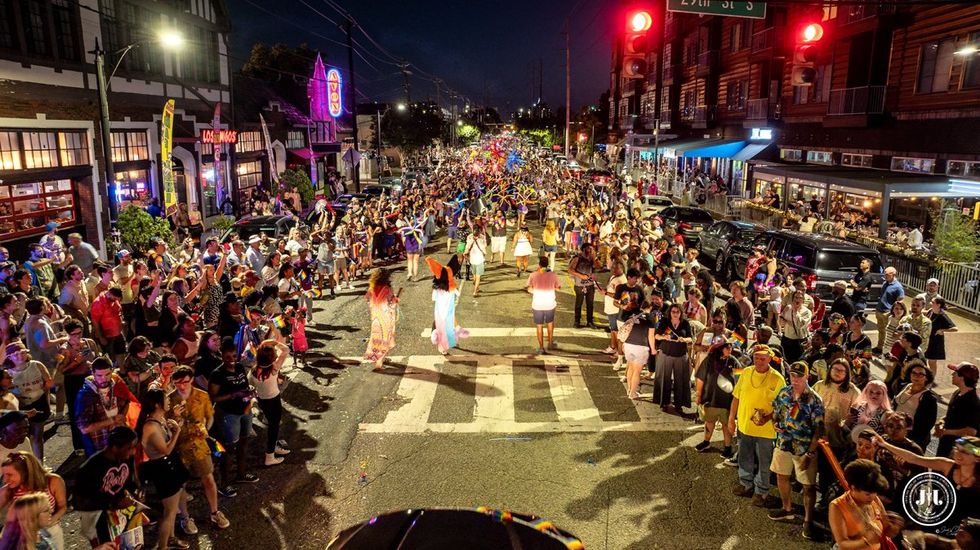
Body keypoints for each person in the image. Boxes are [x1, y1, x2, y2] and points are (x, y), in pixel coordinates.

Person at [872, 433, 979, 534]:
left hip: (963, 530)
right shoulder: (947, 465)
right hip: (938, 520)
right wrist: (885, 444)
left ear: (977, 457)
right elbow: (914, 458)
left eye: (965, 452)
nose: (958, 454)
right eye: (957, 449)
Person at [168, 366, 230, 530]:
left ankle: (215, 512)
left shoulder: (202, 396)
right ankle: (185, 517)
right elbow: (164, 425)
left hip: (198, 445)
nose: (181, 386)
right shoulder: (168, 400)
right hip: (178, 447)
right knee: (181, 485)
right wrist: (173, 417)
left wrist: (205, 429)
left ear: (192, 379)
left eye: (185, 382)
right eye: (178, 383)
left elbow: (209, 416)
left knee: (208, 479)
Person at [767, 361, 824, 539]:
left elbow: (819, 429)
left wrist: (810, 453)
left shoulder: (815, 399)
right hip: (784, 443)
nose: (795, 379)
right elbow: (775, 412)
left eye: (799, 376)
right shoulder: (784, 392)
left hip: (804, 448)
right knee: (781, 476)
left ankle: (808, 521)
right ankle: (787, 508)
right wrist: (775, 423)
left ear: (807, 376)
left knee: (808, 486)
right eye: (792, 375)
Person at [729, 344, 785, 508]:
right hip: (745, 425)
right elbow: (736, 397)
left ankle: (761, 491)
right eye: (756, 358)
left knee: (764, 462)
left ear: (769, 359)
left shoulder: (777, 378)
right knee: (744, 457)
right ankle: (746, 483)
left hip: (766, 430)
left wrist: (767, 417)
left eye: (763, 358)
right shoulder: (746, 373)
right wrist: (731, 419)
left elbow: (782, 407)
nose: (759, 361)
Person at [136, 388, 190, 550]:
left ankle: (171, 539)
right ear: (157, 404)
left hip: (170, 464)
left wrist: (174, 422)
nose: (168, 401)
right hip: (164, 468)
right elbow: (165, 450)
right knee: (170, 512)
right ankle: (163, 546)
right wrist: (177, 432)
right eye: (165, 399)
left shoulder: (159, 419)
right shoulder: (150, 426)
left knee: (174, 506)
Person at [209, 338, 259, 497]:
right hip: (228, 415)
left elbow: (244, 387)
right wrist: (232, 394)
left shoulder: (239, 367)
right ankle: (224, 484)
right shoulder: (217, 374)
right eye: (227, 358)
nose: (231, 361)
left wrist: (249, 392)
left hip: (244, 411)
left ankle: (241, 474)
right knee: (228, 448)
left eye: (233, 357)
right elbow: (213, 397)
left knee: (244, 442)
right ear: (222, 356)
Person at [74, 427, 140, 548]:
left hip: (122, 517)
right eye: (129, 448)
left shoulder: (125, 458)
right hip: (99, 521)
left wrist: (135, 494)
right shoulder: (89, 469)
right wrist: (114, 504)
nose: (133, 452)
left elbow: (129, 482)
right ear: (115, 448)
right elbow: (80, 502)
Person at [813, 357, 860, 510]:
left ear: (847, 373)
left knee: (831, 471)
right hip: (817, 435)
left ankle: (827, 502)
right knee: (817, 467)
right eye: (835, 369)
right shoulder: (819, 386)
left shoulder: (853, 391)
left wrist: (845, 426)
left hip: (837, 440)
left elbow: (857, 415)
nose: (838, 373)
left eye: (842, 370)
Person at [0, 452, 68, 549]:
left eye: (9, 475)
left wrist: (50, 521)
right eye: (4, 475)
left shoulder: (53, 481)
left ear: (25, 472)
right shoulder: (8, 490)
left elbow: (63, 506)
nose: (5, 480)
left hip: (50, 530)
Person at [75, 357, 136, 457]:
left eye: (107, 374)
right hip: (100, 445)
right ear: (93, 373)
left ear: (112, 371)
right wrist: (113, 420)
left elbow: (126, 402)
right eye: (99, 375)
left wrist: (122, 417)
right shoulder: (85, 395)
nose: (103, 378)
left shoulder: (118, 384)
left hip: (121, 442)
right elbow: (84, 428)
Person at [828, 459, 894, 550]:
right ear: (853, 488)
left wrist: (893, 527)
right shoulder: (837, 507)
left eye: (875, 492)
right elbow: (842, 543)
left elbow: (886, 527)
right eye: (867, 494)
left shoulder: (874, 498)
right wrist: (866, 542)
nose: (873, 496)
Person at [4, 341, 52, 461]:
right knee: (22, 437)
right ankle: (26, 463)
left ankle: (39, 463)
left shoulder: (37, 365)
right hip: (20, 407)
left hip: (39, 403)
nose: (20, 356)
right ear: (9, 357)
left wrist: (46, 401)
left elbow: (48, 383)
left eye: (23, 353)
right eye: (16, 354)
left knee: (37, 435)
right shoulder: (7, 373)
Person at [56, 318, 99, 453]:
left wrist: (94, 364)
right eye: (74, 334)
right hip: (74, 381)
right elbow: (60, 370)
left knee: (95, 409)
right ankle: (79, 445)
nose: (78, 336)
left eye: (80, 332)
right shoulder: (63, 350)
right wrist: (76, 361)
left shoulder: (89, 342)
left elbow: (98, 356)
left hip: (90, 378)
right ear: (68, 334)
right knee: (77, 413)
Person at [250, 340, 291, 466]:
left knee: (272, 425)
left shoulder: (254, 370)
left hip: (262, 400)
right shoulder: (274, 368)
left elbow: (251, 384)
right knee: (274, 426)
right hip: (273, 400)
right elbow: (286, 350)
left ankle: (273, 447)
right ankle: (269, 456)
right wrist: (274, 342)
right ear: (272, 358)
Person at [693, 339, 736, 458]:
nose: (730, 350)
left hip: (727, 400)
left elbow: (739, 378)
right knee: (709, 421)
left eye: (730, 347)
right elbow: (700, 378)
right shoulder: (709, 360)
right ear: (719, 349)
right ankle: (706, 442)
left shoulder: (733, 361)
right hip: (710, 398)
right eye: (727, 347)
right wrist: (698, 395)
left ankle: (728, 447)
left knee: (726, 424)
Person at [652, 303, 693, 413]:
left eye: (677, 312)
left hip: (680, 355)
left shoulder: (685, 323)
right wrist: (664, 337)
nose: (675, 314)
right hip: (666, 354)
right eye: (673, 312)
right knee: (664, 379)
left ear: (681, 313)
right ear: (670, 312)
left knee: (680, 380)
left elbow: (691, 338)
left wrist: (684, 339)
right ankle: (664, 402)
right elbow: (656, 335)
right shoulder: (664, 321)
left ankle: (679, 404)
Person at [934, 362, 980, 458]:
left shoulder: (973, 403)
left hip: (957, 450)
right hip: (945, 444)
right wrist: (941, 421)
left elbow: (971, 431)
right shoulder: (957, 392)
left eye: (955, 372)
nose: (952, 375)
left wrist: (946, 432)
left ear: (962, 377)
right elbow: (952, 415)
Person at [893, 361, 938, 452]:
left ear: (926, 378)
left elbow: (928, 424)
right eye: (914, 373)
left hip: (912, 438)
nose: (916, 376)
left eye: (921, 374)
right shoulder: (904, 386)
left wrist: (909, 439)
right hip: (894, 432)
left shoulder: (929, 398)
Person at [364, 269, 400, 371]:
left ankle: (378, 358)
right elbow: (391, 302)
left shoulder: (372, 288)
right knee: (385, 339)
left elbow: (367, 298)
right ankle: (379, 362)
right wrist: (396, 299)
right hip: (385, 317)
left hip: (375, 317)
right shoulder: (387, 289)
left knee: (376, 338)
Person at [526, 257, 560, 355]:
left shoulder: (533, 275)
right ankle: (550, 343)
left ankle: (541, 348)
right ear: (547, 264)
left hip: (538, 304)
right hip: (550, 303)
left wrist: (536, 291)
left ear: (539, 265)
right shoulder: (553, 275)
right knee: (550, 323)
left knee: (539, 325)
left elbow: (529, 289)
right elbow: (558, 288)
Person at [597, 261, 627, 360]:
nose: (613, 269)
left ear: (622, 269)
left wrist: (605, 293)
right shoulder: (614, 277)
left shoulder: (621, 280)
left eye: (616, 268)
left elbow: (618, 296)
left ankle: (616, 350)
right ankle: (613, 346)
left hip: (615, 308)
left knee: (615, 330)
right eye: (613, 267)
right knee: (612, 328)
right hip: (610, 307)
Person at [874, 266, 905, 355]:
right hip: (879, 310)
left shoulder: (898, 287)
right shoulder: (885, 283)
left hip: (887, 312)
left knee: (888, 332)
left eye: (887, 274)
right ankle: (879, 347)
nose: (885, 276)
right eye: (885, 274)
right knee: (881, 331)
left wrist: (895, 313)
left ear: (893, 275)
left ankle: (886, 350)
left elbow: (900, 301)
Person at [925, 297, 957, 375]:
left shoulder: (942, 316)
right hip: (927, 340)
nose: (930, 303)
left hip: (936, 342)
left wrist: (942, 330)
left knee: (932, 362)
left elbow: (955, 328)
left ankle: (931, 379)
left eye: (932, 302)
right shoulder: (931, 311)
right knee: (925, 360)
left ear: (938, 305)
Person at [568, 243, 597, 329]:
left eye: (591, 249)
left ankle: (590, 321)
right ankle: (577, 321)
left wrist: (595, 257)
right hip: (580, 285)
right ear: (583, 249)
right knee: (579, 304)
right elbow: (570, 270)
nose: (590, 250)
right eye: (588, 248)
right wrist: (581, 276)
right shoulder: (577, 258)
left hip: (590, 285)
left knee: (590, 304)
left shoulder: (592, 258)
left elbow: (598, 266)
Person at [779, 290, 812, 364]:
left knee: (797, 363)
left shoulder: (807, 312)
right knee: (785, 361)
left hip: (799, 341)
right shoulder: (788, 308)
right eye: (796, 297)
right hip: (787, 339)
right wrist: (782, 321)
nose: (797, 300)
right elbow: (781, 320)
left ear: (803, 300)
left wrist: (796, 312)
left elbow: (800, 325)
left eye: (800, 298)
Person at [463, 225, 488, 297]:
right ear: (479, 231)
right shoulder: (482, 237)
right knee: (478, 276)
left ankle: (477, 288)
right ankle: (475, 291)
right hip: (479, 259)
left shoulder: (469, 237)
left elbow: (467, 247)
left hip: (472, 258)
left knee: (474, 273)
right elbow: (485, 246)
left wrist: (465, 253)